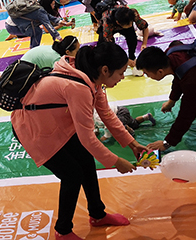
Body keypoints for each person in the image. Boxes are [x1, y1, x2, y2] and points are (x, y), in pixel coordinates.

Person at [12, 42, 147, 238]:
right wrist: (116, 161)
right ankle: (63, 231)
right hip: (33, 128)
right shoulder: (79, 86)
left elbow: (106, 114)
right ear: (105, 70)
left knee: (86, 161)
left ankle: (98, 215)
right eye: (121, 72)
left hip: (54, 122)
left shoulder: (90, 76)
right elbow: (88, 138)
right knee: (72, 175)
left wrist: (132, 143)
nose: (122, 77)